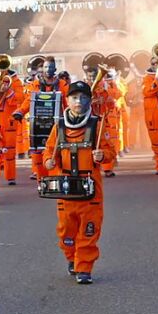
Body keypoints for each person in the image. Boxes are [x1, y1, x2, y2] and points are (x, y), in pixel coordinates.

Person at [42, 80, 117, 283]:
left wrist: (103, 155)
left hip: (90, 189)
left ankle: (84, 267)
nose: (79, 101)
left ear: (89, 101)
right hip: (66, 188)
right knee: (66, 232)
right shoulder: (59, 126)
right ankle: (71, 256)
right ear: (67, 100)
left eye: (83, 98)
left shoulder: (97, 125)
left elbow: (111, 151)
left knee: (89, 230)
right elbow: (50, 151)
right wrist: (48, 161)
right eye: (75, 97)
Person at [13, 57, 67, 181]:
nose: (48, 69)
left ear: (55, 69)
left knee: (55, 152)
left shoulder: (62, 84)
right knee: (37, 153)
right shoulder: (35, 85)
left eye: (51, 67)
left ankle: (55, 181)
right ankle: (41, 181)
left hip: (56, 125)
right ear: (42, 68)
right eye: (46, 67)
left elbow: (67, 104)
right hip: (38, 124)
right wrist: (20, 112)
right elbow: (28, 101)